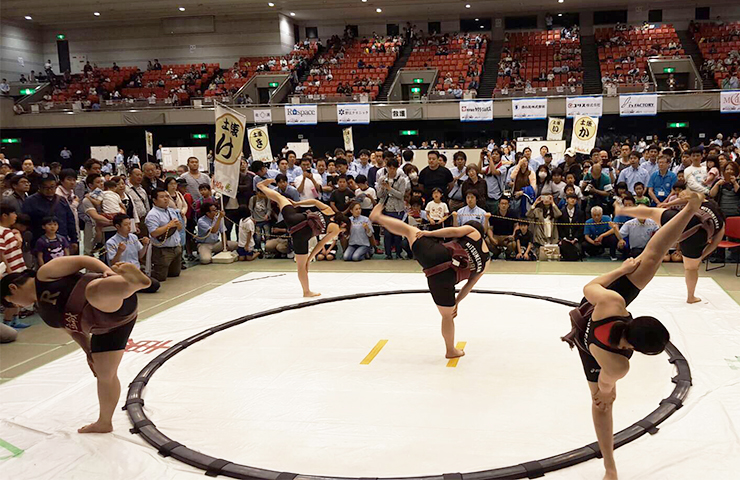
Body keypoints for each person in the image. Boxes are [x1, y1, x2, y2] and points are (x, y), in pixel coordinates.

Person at [560, 193, 702, 480]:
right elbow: (604, 385)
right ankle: (609, 468)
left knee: (649, 258)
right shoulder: (620, 365)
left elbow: (591, 286)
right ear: (638, 350)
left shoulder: (613, 303)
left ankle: (689, 210)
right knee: (603, 406)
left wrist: (621, 270)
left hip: (594, 319)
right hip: (596, 344)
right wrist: (605, 394)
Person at [1, 256, 152, 434]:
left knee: (93, 291)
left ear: (13, 288)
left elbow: (83, 260)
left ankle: (131, 283)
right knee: (105, 374)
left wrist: (106, 270)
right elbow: (72, 330)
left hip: (111, 298)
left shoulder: (45, 275)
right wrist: (88, 350)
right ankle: (104, 422)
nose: (16, 306)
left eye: (11, 302)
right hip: (108, 327)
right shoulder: (43, 311)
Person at [370, 202, 489, 358]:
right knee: (447, 316)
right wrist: (456, 302)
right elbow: (469, 285)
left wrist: (429, 234)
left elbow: (453, 230)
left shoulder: (473, 231)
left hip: (438, 255)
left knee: (409, 230)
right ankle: (450, 350)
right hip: (443, 278)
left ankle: (378, 218)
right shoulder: (487, 263)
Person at [614, 192, 726, 303]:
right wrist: (701, 256)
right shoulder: (721, 223)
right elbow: (714, 244)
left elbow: (690, 199)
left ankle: (621, 210)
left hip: (685, 218)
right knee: (691, 268)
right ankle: (691, 297)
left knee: (651, 212)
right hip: (698, 236)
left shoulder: (707, 203)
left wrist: (668, 204)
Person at [257, 178, 348, 297]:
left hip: (296, 218)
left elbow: (314, 202)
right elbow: (320, 244)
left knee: (281, 198)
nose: (341, 232)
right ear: (344, 224)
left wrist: (297, 203)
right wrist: (310, 258)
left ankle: (262, 187)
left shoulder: (329, 211)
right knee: (302, 267)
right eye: (344, 230)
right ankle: (306, 291)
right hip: (300, 236)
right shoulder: (335, 228)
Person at [22, 174, 78, 254]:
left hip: (61, 241)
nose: (49, 190)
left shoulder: (61, 200)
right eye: (45, 187)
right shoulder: (30, 201)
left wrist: (74, 240)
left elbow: (70, 221)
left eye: (52, 187)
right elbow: (26, 223)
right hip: (41, 244)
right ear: (39, 187)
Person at [105, 214, 159, 293]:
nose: (129, 227)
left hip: (136, 271)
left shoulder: (133, 237)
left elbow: (140, 255)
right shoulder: (111, 242)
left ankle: (133, 286)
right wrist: (119, 252)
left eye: (130, 224)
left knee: (154, 284)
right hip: (123, 274)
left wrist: (145, 245)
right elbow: (112, 263)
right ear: (118, 226)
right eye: (126, 225)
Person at [0, 204, 30, 330]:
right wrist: (8, 269)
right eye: (13, 213)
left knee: (18, 294)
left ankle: (15, 320)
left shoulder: (8, 231)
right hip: (11, 269)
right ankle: (7, 322)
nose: (16, 216)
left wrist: (16, 233)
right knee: (11, 297)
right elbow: (1, 253)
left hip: (18, 267)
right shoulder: (1, 231)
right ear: (4, 215)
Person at [145, 189, 184, 282]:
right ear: (154, 200)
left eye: (167, 196)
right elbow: (154, 232)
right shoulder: (152, 215)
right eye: (162, 197)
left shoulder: (171, 211)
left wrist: (178, 225)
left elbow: (179, 228)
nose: (165, 199)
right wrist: (168, 225)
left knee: (175, 273)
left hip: (175, 246)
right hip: (162, 249)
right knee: (160, 276)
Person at [376, 156, 409, 260]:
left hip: (397, 210)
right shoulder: (382, 179)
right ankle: (388, 254)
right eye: (389, 168)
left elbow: (401, 195)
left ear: (397, 168)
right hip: (386, 209)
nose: (391, 170)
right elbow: (379, 195)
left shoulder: (401, 180)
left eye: (393, 168)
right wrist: (383, 188)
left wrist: (390, 189)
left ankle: (398, 253)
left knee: (397, 233)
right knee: (387, 234)